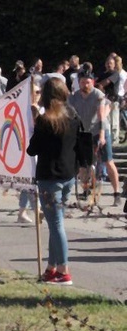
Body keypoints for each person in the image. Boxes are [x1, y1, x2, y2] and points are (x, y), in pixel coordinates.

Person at [27, 78, 79, 285]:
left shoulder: (45, 121)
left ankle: (64, 270)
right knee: (55, 223)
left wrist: (34, 122)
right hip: (68, 175)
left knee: (56, 224)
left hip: (50, 177)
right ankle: (52, 267)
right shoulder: (73, 115)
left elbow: (32, 149)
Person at [69, 68, 121, 206]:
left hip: (100, 130)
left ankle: (116, 193)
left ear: (92, 82)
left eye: (88, 82)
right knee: (85, 164)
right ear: (79, 83)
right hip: (85, 133)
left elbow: (102, 117)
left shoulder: (97, 94)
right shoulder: (74, 97)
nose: (86, 85)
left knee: (108, 161)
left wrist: (102, 136)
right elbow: (69, 114)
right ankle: (86, 190)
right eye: (83, 82)